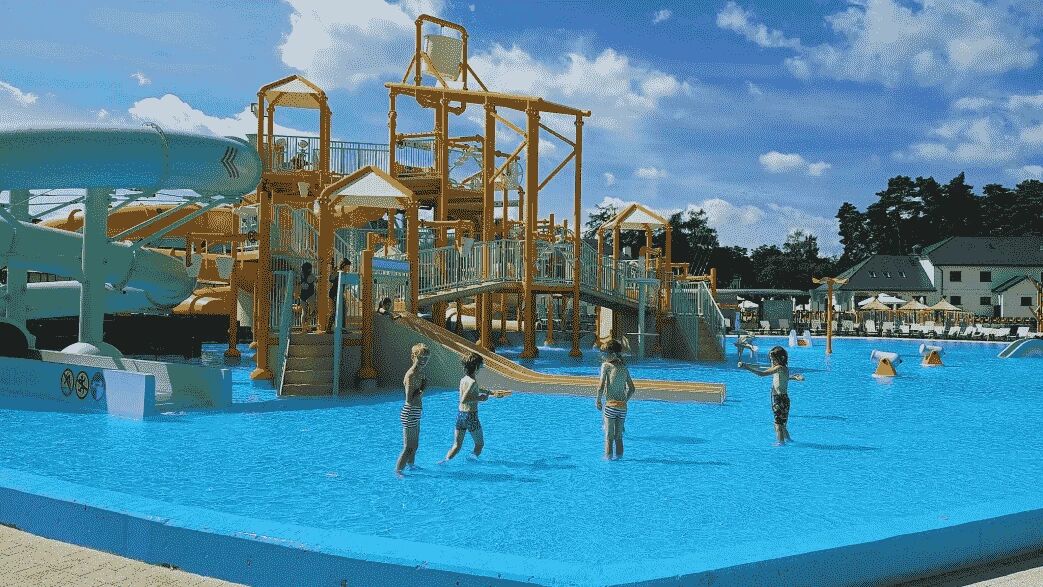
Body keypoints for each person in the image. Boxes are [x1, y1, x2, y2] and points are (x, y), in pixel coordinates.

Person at [738, 346, 804, 446]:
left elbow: (761, 374)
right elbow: (784, 378)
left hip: (779, 399)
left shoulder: (778, 368)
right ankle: (789, 440)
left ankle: (780, 443)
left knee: (777, 424)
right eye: (771, 359)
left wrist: (746, 367)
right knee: (782, 424)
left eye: (773, 359)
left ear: (780, 359)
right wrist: (794, 377)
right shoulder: (784, 369)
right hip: (785, 399)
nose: (772, 362)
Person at [442, 352, 490, 462]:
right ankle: (471, 461)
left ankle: (444, 462)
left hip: (460, 416)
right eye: (480, 366)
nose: (481, 368)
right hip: (471, 416)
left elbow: (473, 390)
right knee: (479, 444)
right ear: (476, 367)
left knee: (457, 446)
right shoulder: (473, 381)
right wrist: (480, 398)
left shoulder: (463, 380)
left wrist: (489, 392)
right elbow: (464, 399)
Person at [595, 339, 635, 460]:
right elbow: (632, 389)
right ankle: (620, 459)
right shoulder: (624, 367)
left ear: (612, 354)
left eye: (604, 354)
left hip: (610, 406)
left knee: (609, 437)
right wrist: (624, 401)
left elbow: (601, 386)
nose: (602, 356)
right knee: (619, 437)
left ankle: (608, 460)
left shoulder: (606, 366)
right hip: (622, 407)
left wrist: (598, 400)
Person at [395, 343, 430, 476]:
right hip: (410, 411)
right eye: (420, 358)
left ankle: (411, 465)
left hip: (416, 411)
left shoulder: (420, 373)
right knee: (408, 447)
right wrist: (423, 388)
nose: (423, 361)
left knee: (415, 446)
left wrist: (422, 386)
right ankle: (398, 471)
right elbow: (409, 398)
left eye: (426, 359)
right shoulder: (411, 375)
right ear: (413, 357)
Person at [326, 259, 352, 331]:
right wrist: (334, 273)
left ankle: (338, 328)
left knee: (343, 310)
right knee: (337, 311)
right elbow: (331, 279)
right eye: (348, 266)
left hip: (339, 294)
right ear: (344, 265)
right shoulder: (339, 273)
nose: (349, 268)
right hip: (335, 294)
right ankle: (333, 328)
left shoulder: (344, 273)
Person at [297, 262, 317, 332]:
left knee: (304, 312)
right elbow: (317, 281)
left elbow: (298, 284)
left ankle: (303, 328)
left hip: (302, 295)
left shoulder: (301, 275)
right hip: (310, 295)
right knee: (314, 312)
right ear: (309, 269)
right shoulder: (311, 276)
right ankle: (308, 323)